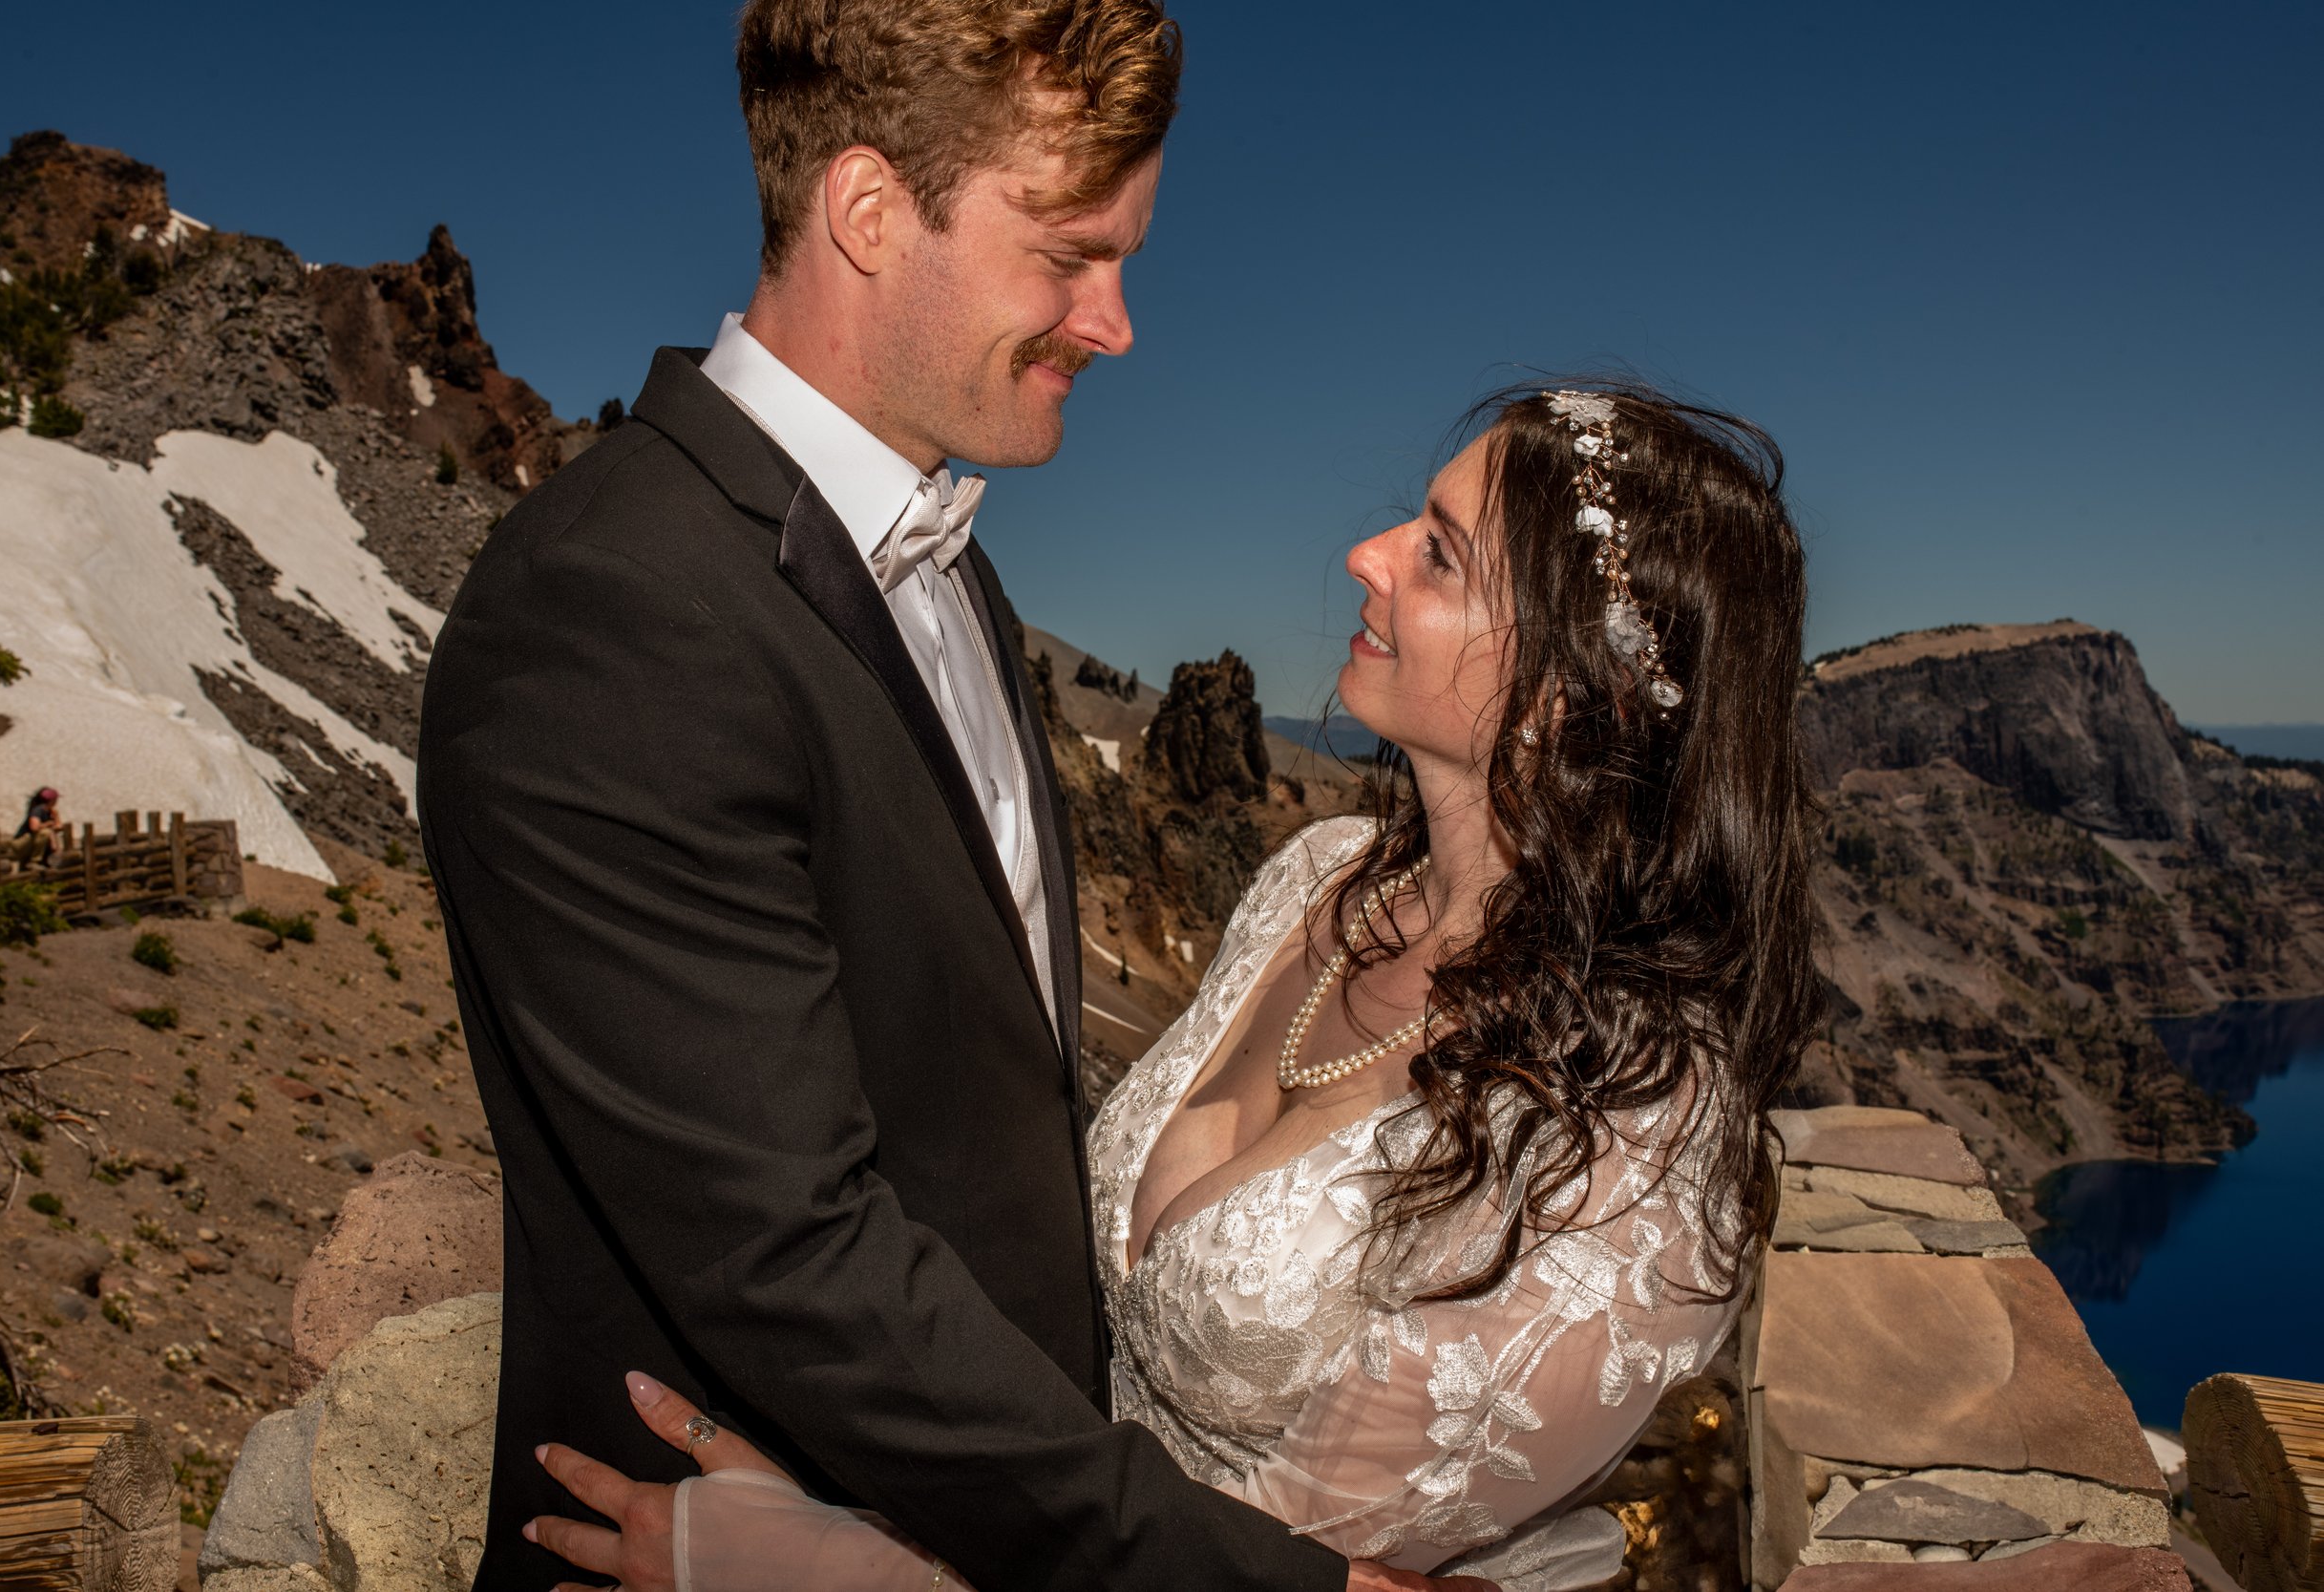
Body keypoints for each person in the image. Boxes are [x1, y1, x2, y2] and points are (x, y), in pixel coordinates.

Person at [418, 1, 1450, 1589]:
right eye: (1068, 253)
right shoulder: (615, 608)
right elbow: (788, 1255)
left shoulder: (941, 561)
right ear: (869, 210)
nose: (1116, 324)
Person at [526, 382, 1821, 1591]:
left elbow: (1288, 1570)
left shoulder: (1632, 1128)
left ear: (1561, 692)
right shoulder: (1323, 878)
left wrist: (845, 1564)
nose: (1366, 553)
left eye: (1437, 550)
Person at [8, 787, 64, 868]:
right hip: (21, 843)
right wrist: (48, 824)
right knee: (45, 833)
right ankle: (35, 860)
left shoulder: (51, 812)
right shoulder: (38, 810)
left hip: (31, 842)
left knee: (48, 833)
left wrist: (56, 817)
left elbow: (59, 827)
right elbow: (34, 827)